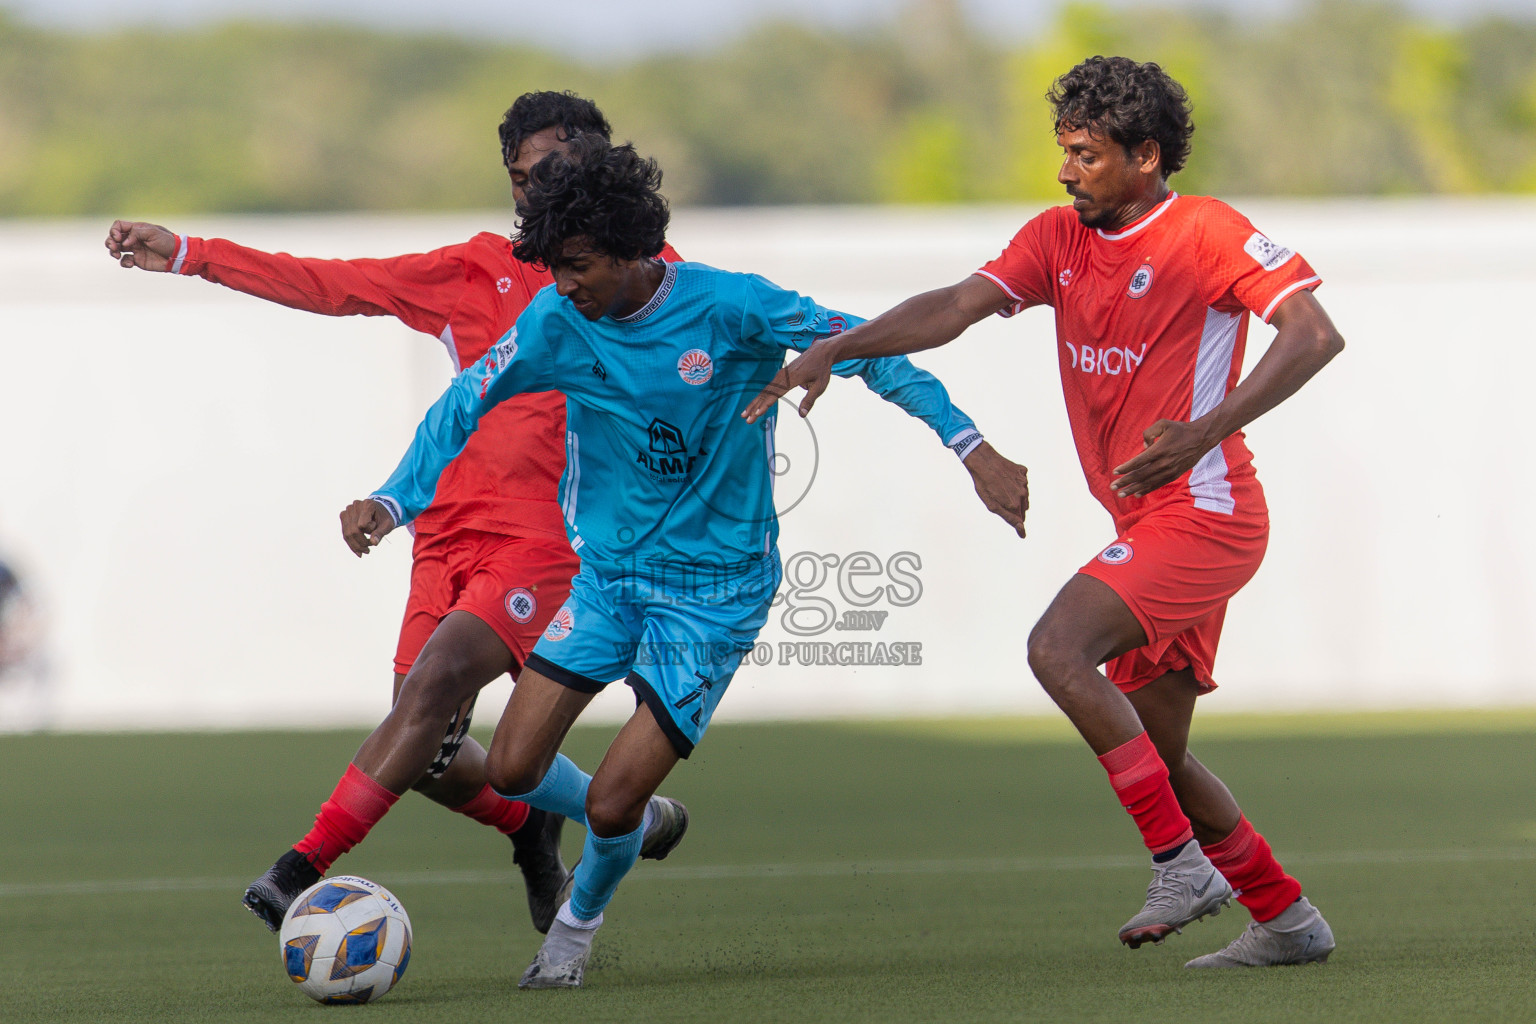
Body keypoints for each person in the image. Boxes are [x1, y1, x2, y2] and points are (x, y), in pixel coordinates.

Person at [351, 134, 1031, 987]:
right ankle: (636, 822)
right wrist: (393, 499)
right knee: (516, 768)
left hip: (713, 596)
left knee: (606, 803)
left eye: (578, 265)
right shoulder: (557, 321)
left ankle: (572, 933)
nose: (562, 286)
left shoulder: (735, 307)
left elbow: (870, 351)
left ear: (634, 250)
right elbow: (466, 401)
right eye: (553, 267)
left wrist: (974, 449)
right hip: (607, 583)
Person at [747, 56, 1344, 969]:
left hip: (1208, 511)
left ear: (1146, 155)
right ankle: (1287, 918)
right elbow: (954, 306)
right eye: (1063, 150)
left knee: (1055, 649)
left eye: (1086, 154)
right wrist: (841, 343)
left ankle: (1179, 866)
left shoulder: (1208, 231)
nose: (1066, 170)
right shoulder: (1057, 239)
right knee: (1161, 754)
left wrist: (1205, 430)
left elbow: (1314, 334)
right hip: (1149, 524)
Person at [104, 92, 685, 936]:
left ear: (598, 160)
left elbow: (706, 365)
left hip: (546, 536)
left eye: (549, 171)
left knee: (437, 684)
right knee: (427, 752)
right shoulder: (471, 267)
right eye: (518, 178)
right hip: (443, 531)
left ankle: (298, 868)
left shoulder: (644, 268)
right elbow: (336, 286)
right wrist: (192, 252)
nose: (530, 191)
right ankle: (541, 826)